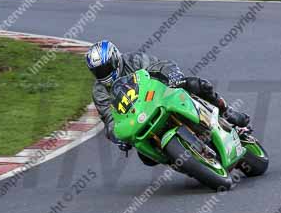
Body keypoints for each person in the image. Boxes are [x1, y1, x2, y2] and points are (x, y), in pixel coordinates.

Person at [86, 40, 251, 160]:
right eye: (98, 71)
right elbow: (109, 119)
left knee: (196, 84)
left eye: (105, 68)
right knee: (147, 159)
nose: (103, 74)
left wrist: (172, 75)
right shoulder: (99, 91)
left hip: (159, 96)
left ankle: (227, 112)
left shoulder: (134, 60)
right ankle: (187, 161)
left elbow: (159, 65)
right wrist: (118, 137)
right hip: (139, 118)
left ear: (115, 59)